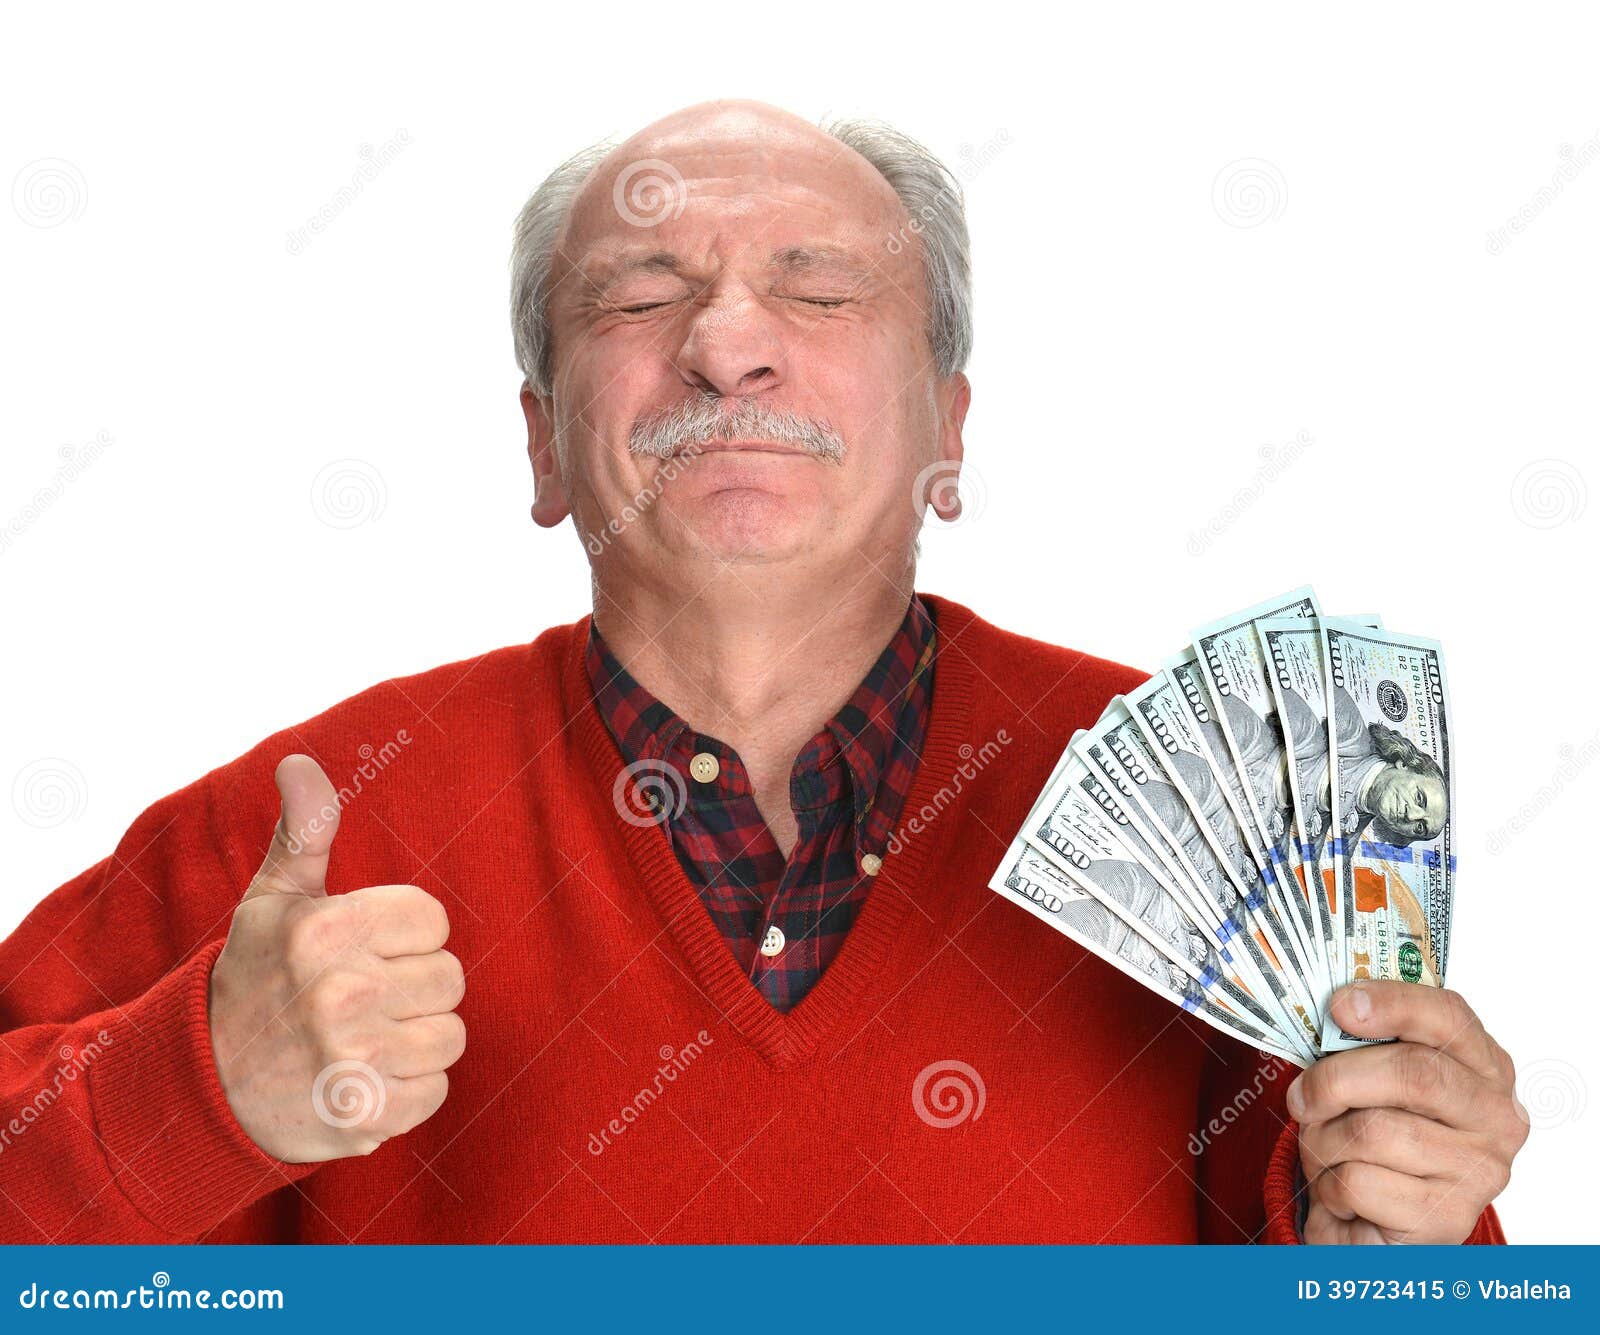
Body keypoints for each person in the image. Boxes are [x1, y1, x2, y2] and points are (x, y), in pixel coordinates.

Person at [0, 100, 1524, 1245]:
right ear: (540, 439)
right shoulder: (306, 833)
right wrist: (187, 1089)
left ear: (950, 426)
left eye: (821, 290)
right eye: (641, 296)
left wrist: (1412, 1263)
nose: (730, 347)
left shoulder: (1226, 826)